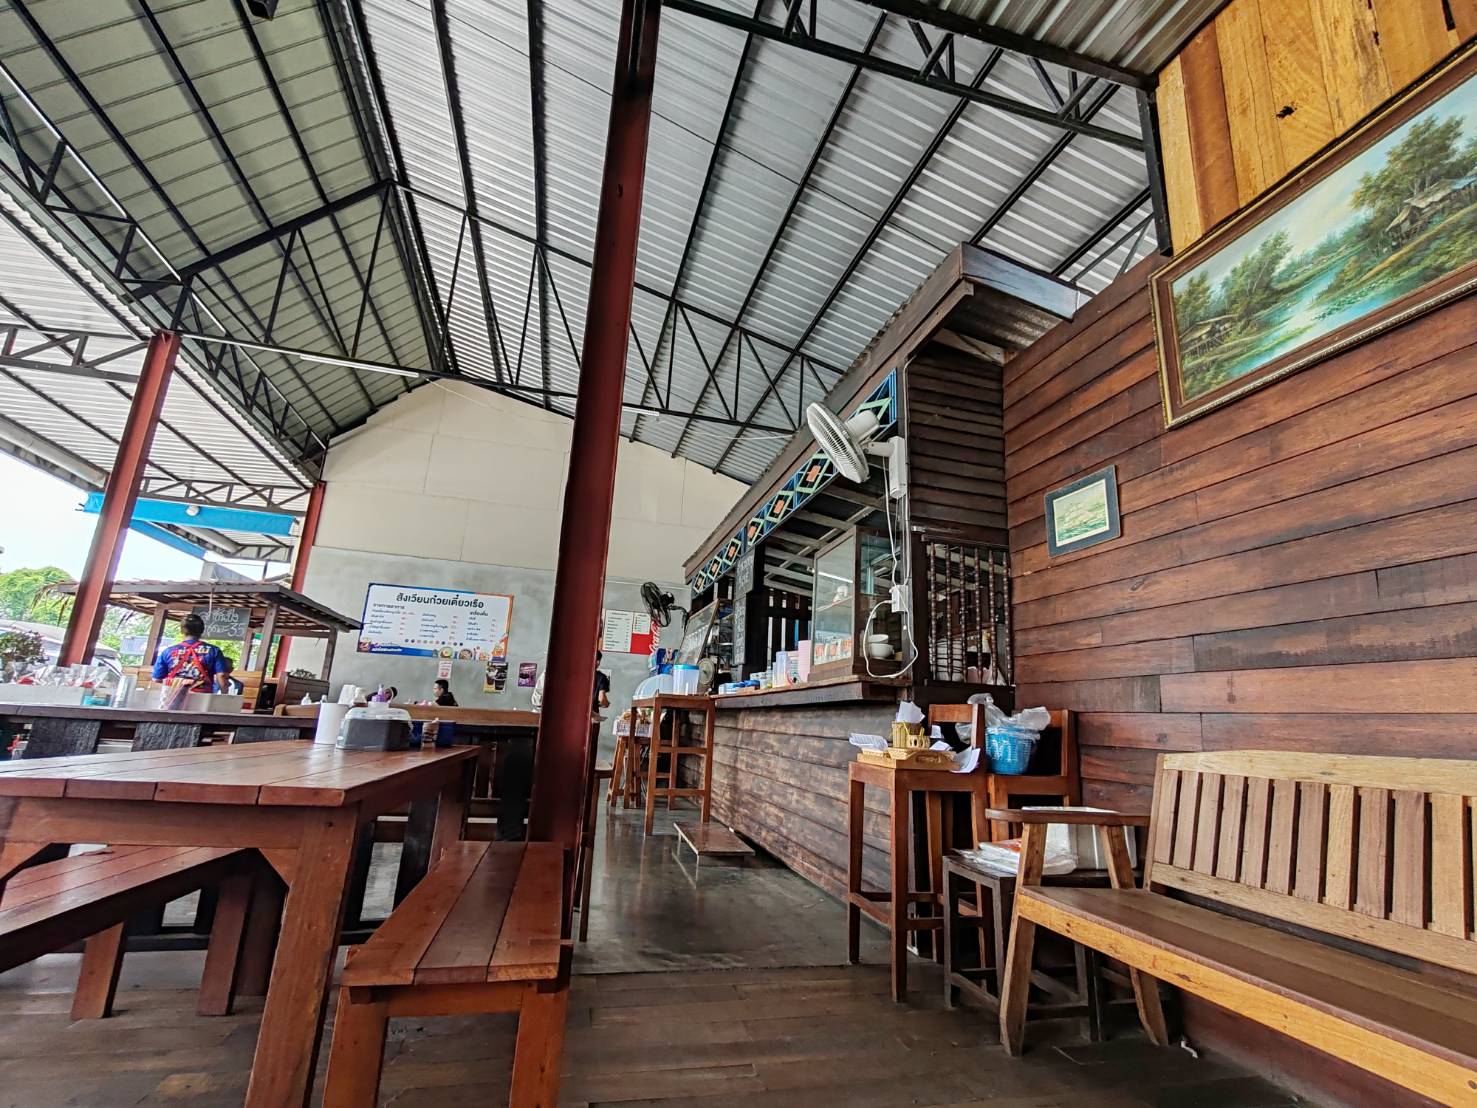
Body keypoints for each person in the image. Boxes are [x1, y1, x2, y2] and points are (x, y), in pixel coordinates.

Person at [151, 613, 229, 693]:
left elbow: (156, 679)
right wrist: (224, 694)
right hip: (202, 697)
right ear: (202, 630)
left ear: (182, 631)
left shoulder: (168, 652)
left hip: (174, 696)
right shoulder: (214, 651)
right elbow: (222, 675)